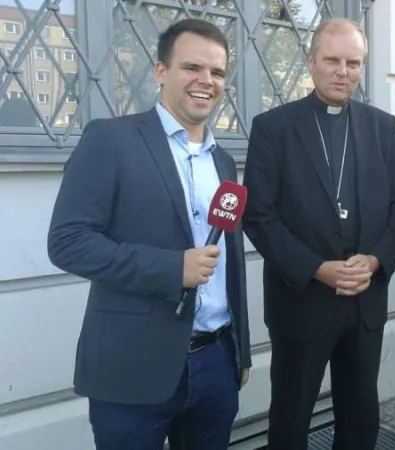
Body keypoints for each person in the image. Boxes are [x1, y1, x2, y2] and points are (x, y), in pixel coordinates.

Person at [47, 18, 251, 450]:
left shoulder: (225, 164)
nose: (206, 81)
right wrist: (171, 267)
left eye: (217, 72)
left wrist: (240, 351)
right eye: (192, 67)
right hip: (130, 368)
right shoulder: (111, 140)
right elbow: (68, 242)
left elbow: (230, 269)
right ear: (161, 72)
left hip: (216, 362)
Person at [242, 18, 395, 450]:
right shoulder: (273, 127)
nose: (343, 71)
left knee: (360, 413)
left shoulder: (383, 127)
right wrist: (317, 268)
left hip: (365, 298)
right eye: (333, 60)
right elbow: (259, 216)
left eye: (353, 63)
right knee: (291, 414)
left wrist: (375, 261)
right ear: (312, 62)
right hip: (301, 300)